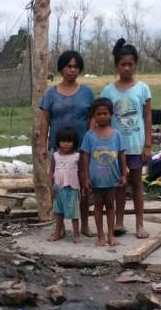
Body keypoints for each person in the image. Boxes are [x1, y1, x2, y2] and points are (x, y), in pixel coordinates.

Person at [39, 50, 95, 236]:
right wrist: (42, 145)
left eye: (76, 66)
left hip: (81, 148)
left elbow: (92, 119)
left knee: (82, 185)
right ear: (61, 68)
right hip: (58, 149)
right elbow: (45, 119)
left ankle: (84, 224)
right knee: (58, 186)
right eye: (69, 66)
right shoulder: (50, 93)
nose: (72, 70)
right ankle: (60, 226)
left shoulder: (87, 92)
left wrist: (93, 144)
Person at [101, 38, 153, 239]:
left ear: (136, 65)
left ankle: (140, 224)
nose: (127, 68)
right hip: (115, 147)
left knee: (137, 185)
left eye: (130, 64)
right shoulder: (108, 90)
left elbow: (147, 116)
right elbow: (101, 118)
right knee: (119, 185)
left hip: (136, 145)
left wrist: (147, 145)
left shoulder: (142, 89)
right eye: (123, 64)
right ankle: (119, 222)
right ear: (117, 66)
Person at [81, 98, 128, 247]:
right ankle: (100, 235)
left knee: (111, 206)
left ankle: (111, 235)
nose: (102, 117)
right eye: (99, 114)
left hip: (112, 178)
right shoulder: (89, 135)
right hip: (96, 179)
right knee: (98, 206)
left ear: (111, 114)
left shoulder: (117, 135)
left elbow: (121, 155)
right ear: (93, 116)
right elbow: (85, 157)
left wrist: (123, 174)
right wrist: (86, 177)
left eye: (105, 113)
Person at [48, 127, 82, 243]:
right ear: (58, 142)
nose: (65, 144)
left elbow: (81, 172)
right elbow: (51, 171)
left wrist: (82, 187)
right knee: (58, 212)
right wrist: (50, 185)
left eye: (69, 141)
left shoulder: (77, 156)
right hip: (58, 188)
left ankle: (77, 234)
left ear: (74, 142)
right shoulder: (55, 155)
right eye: (63, 141)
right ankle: (58, 232)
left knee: (74, 212)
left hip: (72, 187)